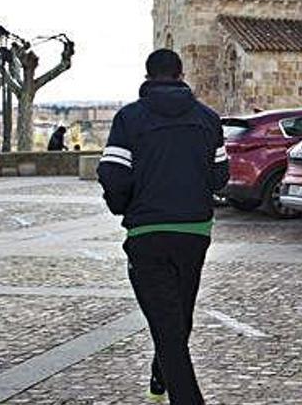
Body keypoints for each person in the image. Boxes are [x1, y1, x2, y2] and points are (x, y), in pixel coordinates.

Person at [97, 49, 229, 404]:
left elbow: (112, 173)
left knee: (169, 325)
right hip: (194, 234)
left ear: (148, 74)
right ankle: (160, 378)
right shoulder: (208, 119)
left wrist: (122, 206)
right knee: (177, 318)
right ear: (180, 73)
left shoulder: (128, 119)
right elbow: (220, 177)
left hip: (147, 236)